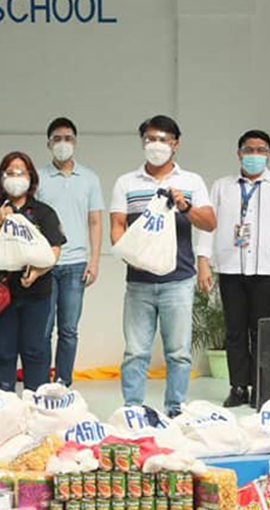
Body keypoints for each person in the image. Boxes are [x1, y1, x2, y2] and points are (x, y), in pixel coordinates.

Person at [111, 115, 214, 418]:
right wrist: (127, 254)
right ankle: (132, 409)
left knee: (179, 353)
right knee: (135, 352)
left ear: (175, 144)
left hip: (178, 280)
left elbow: (210, 223)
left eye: (163, 140)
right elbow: (117, 225)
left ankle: (175, 410)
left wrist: (186, 206)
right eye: (150, 139)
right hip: (138, 282)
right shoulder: (126, 182)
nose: (156, 145)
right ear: (142, 142)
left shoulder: (191, 182)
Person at [198, 129, 270, 408]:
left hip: (266, 269)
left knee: (262, 332)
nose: (254, 155)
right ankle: (237, 387)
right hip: (230, 268)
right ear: (239, 153)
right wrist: (203, 260)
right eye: (249, 150)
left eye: (261, 150)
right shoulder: (222, 186)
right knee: (234, 331)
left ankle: (261, 386)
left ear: (269, 154)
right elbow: (209, 226)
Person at [0, 151, 67, 393]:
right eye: (10, 172)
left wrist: (38, 272)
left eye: (21, 172)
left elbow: (55, 249)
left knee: (36, 350)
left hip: (36, 292)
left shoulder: (43, 212)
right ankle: (5, 402)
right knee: (4, 351)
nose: (15, 177)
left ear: (30, 178)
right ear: (1, 177)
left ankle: (37, 401)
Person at [36, 117, 105, 386]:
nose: (62, 144)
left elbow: (95, 221)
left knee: (69, 330)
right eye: (57, 139)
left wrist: (94, 261)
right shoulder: (38, 178)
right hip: (45, 264)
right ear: (48, 144)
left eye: (68, 138)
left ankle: (63, 383)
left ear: (75, 143)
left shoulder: (89, 178)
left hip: (76, 264)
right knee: (43, 329)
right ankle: (41, 383)